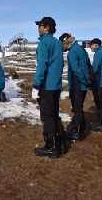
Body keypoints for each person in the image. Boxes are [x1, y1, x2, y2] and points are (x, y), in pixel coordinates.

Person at [31, 17, 65, 158]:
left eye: (40, 25)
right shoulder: (57, 43)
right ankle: (60, 144)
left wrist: (36, 85)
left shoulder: (44, 43)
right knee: (54, 113)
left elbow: (42, 66)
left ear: (47, 28)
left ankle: (51, 147)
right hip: (55, 85)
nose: (38, 28)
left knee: (47, 116)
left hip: (47, 85)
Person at [59, 33, 91, 141]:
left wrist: (83, 79)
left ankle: (77, 133)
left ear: (66, 42)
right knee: (79, 107)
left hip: (77, 84)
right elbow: (87, 63)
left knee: (77, 108)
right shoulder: (81, 49)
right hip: (83, 84)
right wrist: (88, 79)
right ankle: (81, 129)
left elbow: (75, 69)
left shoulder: (72, 52)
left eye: (63, 44)